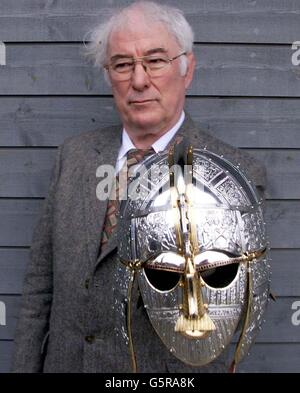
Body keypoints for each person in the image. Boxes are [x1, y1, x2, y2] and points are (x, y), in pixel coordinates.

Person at [11, 1, 266, 373]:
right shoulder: (75, 157)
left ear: (187, 69)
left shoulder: (232, 174)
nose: (139, 80)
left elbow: (228, 310)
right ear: (108, 74)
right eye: (122, 64)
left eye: (156, 60)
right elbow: (39, 290)